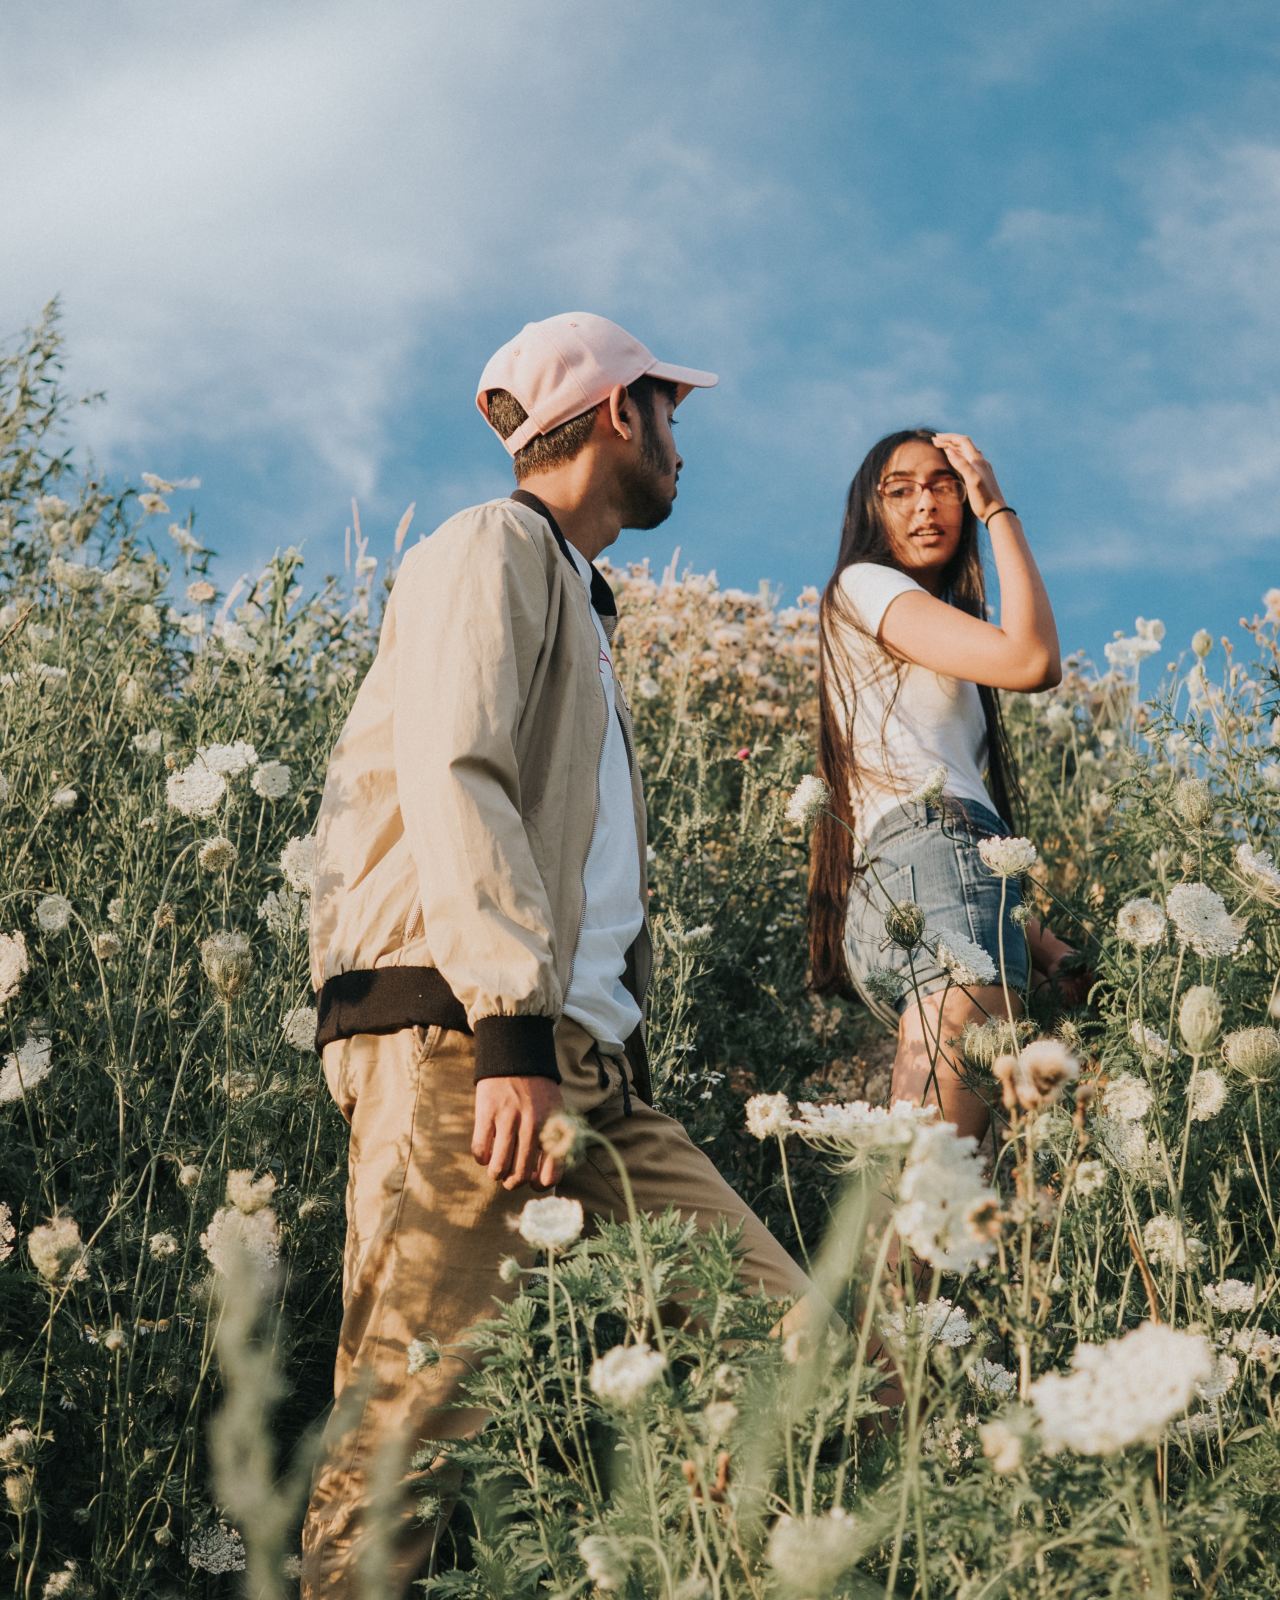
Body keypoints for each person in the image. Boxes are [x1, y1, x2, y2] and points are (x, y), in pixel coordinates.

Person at [300, 313, 811, 1597]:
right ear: (619, 411)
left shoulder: (581, 602)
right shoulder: (487, 548)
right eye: (671, 413)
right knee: (402, 1446)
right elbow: (453, 774)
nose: (682, 445)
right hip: (467, 1052)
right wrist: (512, 1034)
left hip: (593, 1081)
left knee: (813, 1357)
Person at [807, 429, 1079, 1143]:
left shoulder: (931, 635)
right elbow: (1033, 658)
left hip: (932, 881)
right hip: (929, 869)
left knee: (956, 1189)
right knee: (942, 1186)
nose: (926, 504)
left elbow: (956, 843)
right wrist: (998, 510)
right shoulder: (866, 584)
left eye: (944, 486)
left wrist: (1044, 946)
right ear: (870, 512)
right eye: (900, 490)